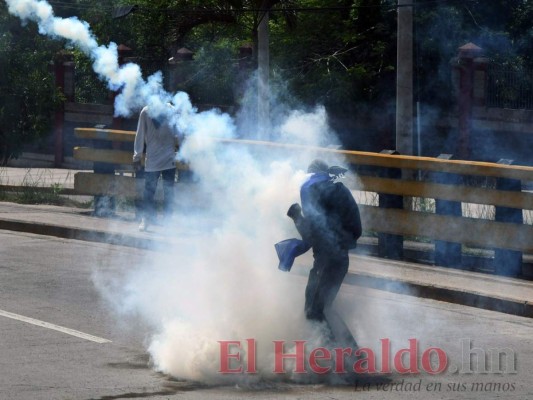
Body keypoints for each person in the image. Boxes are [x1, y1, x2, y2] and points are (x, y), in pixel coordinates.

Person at [287, 159, 362, 343]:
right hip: (337, 259)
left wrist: (297, 216)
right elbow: (355, 229)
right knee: (321, 307)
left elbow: (311, 235)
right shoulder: (339, 190)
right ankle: (353, 355)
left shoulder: (315, 193)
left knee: (314, 310)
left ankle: (336, 356)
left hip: (327, 261)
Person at [133, 105, 179, 231]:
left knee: (169, 192)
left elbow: (178, 132)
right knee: (149, 191)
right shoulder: (146, 111)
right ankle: (146, 219)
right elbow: (140, 134)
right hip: (152, 159)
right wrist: (137, 156)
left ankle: (168, 222)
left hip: (169, 158)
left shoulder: (172, 110)